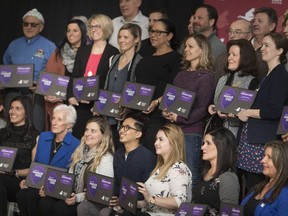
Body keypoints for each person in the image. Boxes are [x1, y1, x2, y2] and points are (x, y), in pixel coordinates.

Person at [237, 32, 288, 194]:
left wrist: (249, 112)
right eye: (262, 45)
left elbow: (274, 111)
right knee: (249, 189)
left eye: (267, 45)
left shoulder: (280, 76)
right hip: (252, 140)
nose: (262, 49)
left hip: (261, 143)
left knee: (257, 188)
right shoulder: (268, 75)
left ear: (280, 51)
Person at [77, 114, 156, 216]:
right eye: (122, 126)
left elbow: (148, 191)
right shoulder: (118, 154)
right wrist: (111, 198)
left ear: (138, 134)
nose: (121, 130)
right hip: (116, 204)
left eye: (127, 128)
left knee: (107, 213)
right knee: (84, 207)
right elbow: (115, 184)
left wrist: (125, 203)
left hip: (137, 207)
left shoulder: (148, 157)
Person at [162, 34, 215, 187]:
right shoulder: (180, 74)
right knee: (172, 173)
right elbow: (171, 100)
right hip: (174, 132)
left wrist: (179, 118)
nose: (186, 49)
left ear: (202, 50)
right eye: (185, 46)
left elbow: (203, 108)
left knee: (191, 174)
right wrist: (166, 111)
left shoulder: (206, 77)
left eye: (190, 46)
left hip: (191, 132)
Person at [39, 116, 114, 216]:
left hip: (89, 202)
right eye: (87, 130)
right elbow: (69, 178)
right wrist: (50, 188)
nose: (88, 134)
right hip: (71, 195)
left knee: (60, 208)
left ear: (103, 135)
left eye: (93, 131)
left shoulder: (106, 158)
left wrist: (78, 197)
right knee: (45, 202)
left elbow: (101, 192)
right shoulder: (80, 150)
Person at [16, 104, 80, 216]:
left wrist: (49, 188)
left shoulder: (76, 145)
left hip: (57, 188)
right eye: (53, 118)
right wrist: (29, 180)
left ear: (69, 125)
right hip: (38, 184)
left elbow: (70, 175)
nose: (54, 122)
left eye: (59, 119)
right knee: (21, 194)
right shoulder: (44, 137)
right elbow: (37, 165)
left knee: (32, 197)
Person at [3, 9, 56, 133]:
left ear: (41, 27)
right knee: (9, 130)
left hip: (34, 96)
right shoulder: (13, 45)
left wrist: (40, 84)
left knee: (35, 130)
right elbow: (6, 68)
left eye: (33, 25)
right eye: (26, 24)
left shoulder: (50, 46)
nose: (29, 27)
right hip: (13, 94)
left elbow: (55, 74)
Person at [67, 14, 118, 139]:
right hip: (80, 105)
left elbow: (111, 82)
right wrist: (70, 96)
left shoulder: (114, 52)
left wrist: (100, 104)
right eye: (91, 27)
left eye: (97, 26)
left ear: (106, 28)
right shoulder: (83, 50)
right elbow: (75, 76)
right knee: (78, 139)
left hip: (98, 107)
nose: (93, 30)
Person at [135, 18, 182, 153]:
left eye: (158, 32)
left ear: (169, 35)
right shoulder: (145, 58)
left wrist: (156, 102)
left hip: (158, 117)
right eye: (151, 31)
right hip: (138, 115)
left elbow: (175, 88)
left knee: (151, 153)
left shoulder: (176, 59)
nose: (153, 35)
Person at [136, 124, 192, 216]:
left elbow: (180, 202)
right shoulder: (160, 168)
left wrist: (151, 198)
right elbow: (149, 203)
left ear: (173, 143)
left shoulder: (179, 168)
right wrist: (127, 201)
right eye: (156, 139)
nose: (156, 143)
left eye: (161, 139)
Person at [208, 39, 259, 138]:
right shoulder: (222, 79)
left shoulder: (252, 82)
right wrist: (212, 107)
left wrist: (235, 114)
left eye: (234, 55)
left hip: (237, 136)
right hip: (217, 133)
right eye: (229, 54)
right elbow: (216, 103)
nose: (229, 58)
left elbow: (252, 113)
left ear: (245, 58)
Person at [103, 23, 142, 150]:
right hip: (107, 115)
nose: (121, 40)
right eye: (120, 37)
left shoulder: (140, 62)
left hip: (123, 119)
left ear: (136, 39)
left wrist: (128, 108)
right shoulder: (113, 59)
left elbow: (139, 91)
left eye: (126, 37)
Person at [44, 19, 87, 130]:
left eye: (75, 30)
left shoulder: (89, 53)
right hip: (60, 104)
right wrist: (47, 93)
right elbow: (48, 76)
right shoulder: (58, 52)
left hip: (80, 104)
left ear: (82, 32)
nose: (71, 34)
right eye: (68, 31)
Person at [0, 95, 39, 216]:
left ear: (26, 113)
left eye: (18, 108)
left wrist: (14, 172)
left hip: (20, 181)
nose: (12, 111)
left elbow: (35, 168)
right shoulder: (1, 133)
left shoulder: (35, 136)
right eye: (11, 108)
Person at [193, 127, 239, 215]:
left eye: (208, 143)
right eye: (203, 143)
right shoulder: (205, 172)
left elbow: (229, 213)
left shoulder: (228, 178)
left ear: (221, 146)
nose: (202, 147)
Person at [241, 141, 288, 216]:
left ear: (282, 162)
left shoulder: (285, 194)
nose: (262, 160)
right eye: (264, 156)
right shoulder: (259, 186)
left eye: (269, 157)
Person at [214, 18, 253, 83]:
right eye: (230, 31)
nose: (232, 36)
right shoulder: (221, 58)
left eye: (237, 32)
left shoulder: (256, 59)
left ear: (249, 36)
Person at [251, 7, 278, 81]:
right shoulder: (245, 46)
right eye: (254, 21)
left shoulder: (276, 50)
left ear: (271, 26)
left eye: (260, 21)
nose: (255, 24)